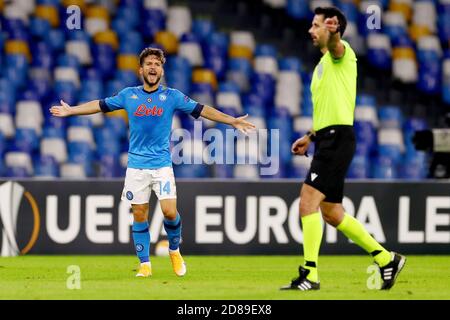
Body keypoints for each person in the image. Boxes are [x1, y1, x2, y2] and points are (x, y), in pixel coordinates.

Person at [50, 47, 255, 278]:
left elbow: (202, 109)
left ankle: (174, 250)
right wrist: (71, 111)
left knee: (169, 212)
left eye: (157, 64)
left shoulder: (172, 96)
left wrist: (232, 121)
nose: (153, 67)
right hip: (136, 166)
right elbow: (99, 105)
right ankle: (145, 264)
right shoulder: (129, 95)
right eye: (149, 64)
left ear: (162, 70)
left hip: (162, 165)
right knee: (139, 213)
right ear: (141, 70)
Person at [280, 7, 405, 291]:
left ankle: (310, 275)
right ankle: (387, 260)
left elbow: (336, 46)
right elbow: (329, 109)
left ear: (331, 29)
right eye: (311, 25)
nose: (311, 31)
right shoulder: (321, 66)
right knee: (332, 213)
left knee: (306, 203)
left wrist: (335, 34)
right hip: (328, 137)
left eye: (316, 26)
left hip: (337, 139)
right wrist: (310, 137)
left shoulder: (342, 51)